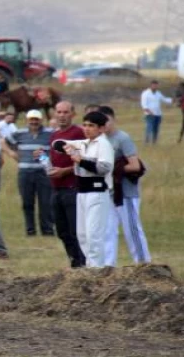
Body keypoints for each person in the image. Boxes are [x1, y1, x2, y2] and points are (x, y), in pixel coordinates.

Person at [56, 111, 115, 268]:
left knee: (93, 234)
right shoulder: (84, 143)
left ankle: (97, 269)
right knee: (82, 234)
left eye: (91, 126)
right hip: (81, 192)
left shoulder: (103, 144)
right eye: (85, 125)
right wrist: (67, 148)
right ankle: (90, 266)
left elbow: (104, 167)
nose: (87, 129)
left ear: (101, 128)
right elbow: (58, 143)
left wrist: (81, 160)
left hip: (96, 192)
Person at [99, 106, 150, 266]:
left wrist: (113, 168)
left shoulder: (122, 138)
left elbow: (136, 166)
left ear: (113, 119)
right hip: (109, 192)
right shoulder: (101, 140)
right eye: (101, 122)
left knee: (132, 230)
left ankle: (143, 264)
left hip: (126, 192)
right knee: (107, 231)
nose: (105, 125)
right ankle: (108, 266)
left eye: (107, 121)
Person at [45, 101, 87, 268]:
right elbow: (54, 159)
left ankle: (84, 263)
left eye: (65, 112)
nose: (62, 115)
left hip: (73, 187)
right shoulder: (54, 135)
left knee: (76, 230)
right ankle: (74, 262)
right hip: (56, 188)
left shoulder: (79, 133)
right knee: (62, 231)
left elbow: (84, 160)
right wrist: (43, 159)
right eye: (59, 112)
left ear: (73, 114)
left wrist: (65, 171)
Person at [2, 109, 54, 236]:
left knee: (45, 202)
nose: (34, 122)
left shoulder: (49, 133)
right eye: (31, 119)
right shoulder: (20, 133)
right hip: (25, 172)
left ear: (41, 120)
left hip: (44, 172)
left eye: (36, 119)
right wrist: (12, 153)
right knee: (27, 202)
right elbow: (3, 142)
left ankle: (47, 230)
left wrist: (46, 159)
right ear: (27, 120)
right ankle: (30, 230)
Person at [140, 80, 172, 144]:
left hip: (158, 114)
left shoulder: (158, 93)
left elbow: (164, 99)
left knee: (156, 129)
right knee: (149, 128)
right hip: (150, 114)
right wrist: (149, 112)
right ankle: (146, 142)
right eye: (154, 85)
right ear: (151, 85)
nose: (155, 86)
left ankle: (154, 142)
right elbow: (144, 105)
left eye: (156, 85)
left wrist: (172, 100)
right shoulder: (145, 93)